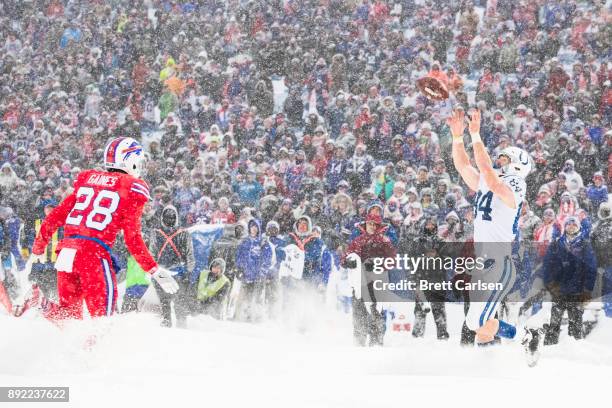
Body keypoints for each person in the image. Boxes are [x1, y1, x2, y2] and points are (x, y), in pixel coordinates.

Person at [14, 137, 179, 319]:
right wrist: (154, 269)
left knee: (69, 318)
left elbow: (55, 217)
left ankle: (41, 303)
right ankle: (93, 348)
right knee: (102, 321)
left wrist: (38, 246)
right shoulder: (131, 189)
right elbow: (132, 239)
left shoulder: (89, 180)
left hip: (67, 251)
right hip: (92, 255)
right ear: (130, 161)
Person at [448, 109, 531, 350]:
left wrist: (475, 135)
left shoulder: (515, 183)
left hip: (499, 263)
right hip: (483, 262)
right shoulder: (490, 179)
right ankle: (488, 370)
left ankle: (524, 335)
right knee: (481, 330)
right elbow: (463, 167)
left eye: (504, 159)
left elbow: (492, 179)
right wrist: (457, 138)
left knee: (477, 320)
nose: (499, 160)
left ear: (516, 164)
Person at [342, 212, 397, 346]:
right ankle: (359, 343)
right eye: (369, 224)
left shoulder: (385, 241)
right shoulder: (357, 241)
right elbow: (345, 257)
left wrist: (378, 264)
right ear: (365, 225)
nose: (372, 226)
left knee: (376, 314)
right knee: (359, 313)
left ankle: (376, 343)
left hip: (376, 284)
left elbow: (393, 261)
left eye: (375, 224)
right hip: (359, 283)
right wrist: (347, 262)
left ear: (379, 226)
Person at [542, 216, 597, 344]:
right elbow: (547, 265)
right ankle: (549, 349)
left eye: (574, 224)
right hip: (558, 291)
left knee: (576, 325)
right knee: (554, 324)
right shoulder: (556, 244)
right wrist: (550, 284)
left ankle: (575, 351)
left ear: (578, 227)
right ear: (565, 226)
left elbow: (591, 268)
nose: (571, 226)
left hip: (577, 292)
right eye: (569, 224)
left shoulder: (585, 245)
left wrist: (587, 290)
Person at [148, 205, 196, 328]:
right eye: (167, 216)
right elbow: (152, 252)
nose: (169, 219)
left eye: (172, 217)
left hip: (178, 272)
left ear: (176, 217)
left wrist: (189, 271)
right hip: (162, 272)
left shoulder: (184, 233)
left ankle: (181, 326)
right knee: (165, 301)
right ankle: (167, 325)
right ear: (163, 217)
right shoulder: (156, 233)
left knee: (179, 301)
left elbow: (190, 254)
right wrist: (153, 271)